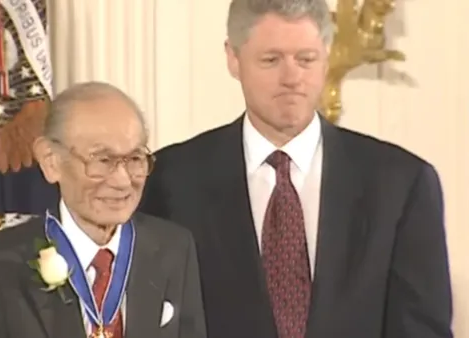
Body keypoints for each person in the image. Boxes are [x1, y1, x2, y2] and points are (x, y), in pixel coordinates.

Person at [138, 0, 453, 337]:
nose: (292, 78)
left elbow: (422, 329)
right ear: (233, 58)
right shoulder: (171, 180)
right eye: (271, 60)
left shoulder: (401, 183)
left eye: (306, 59)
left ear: (326, 54)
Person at [0, 82, 208, 338]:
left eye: (135, 159)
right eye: (102, 160)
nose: (123, 180)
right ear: (51, 161)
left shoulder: (173, 248)